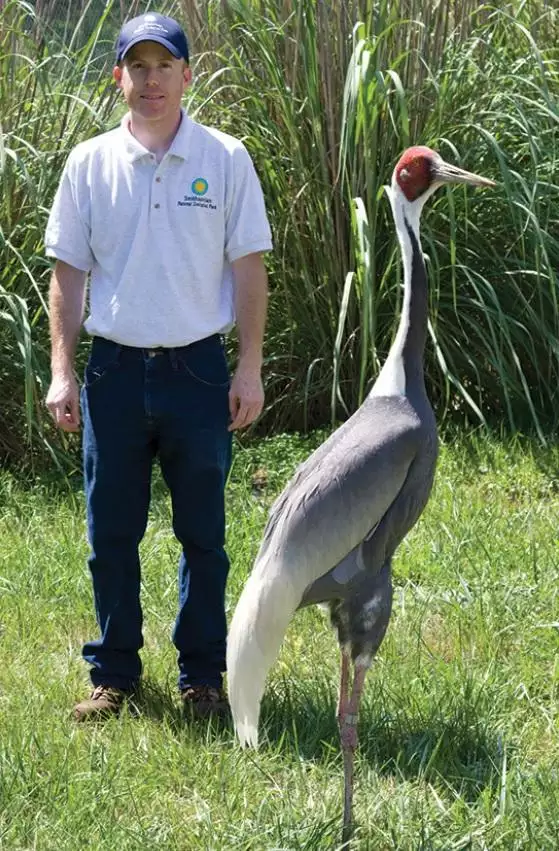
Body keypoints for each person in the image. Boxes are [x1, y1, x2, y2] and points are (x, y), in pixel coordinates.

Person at [44, 12, 272, 721]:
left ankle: (202, 676)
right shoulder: (89, 162)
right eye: (137, 67)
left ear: (186, 75)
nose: (151, 80)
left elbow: (250, 270)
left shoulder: (225, 159)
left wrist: (249, 367)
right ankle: (113, 675)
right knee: (110, 533)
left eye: (163, 66)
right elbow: (67, 276)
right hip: (112, 373)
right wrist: (62, 369)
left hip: (199, 372)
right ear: (119, 77)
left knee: (202, 533)